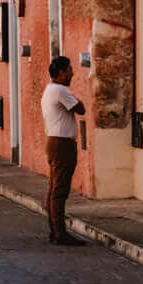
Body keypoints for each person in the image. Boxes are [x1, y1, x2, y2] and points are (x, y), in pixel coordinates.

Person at [41, 55, 86, 246]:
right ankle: (60, 233)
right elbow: (81, 109)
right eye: (69, 70)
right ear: (61, 73)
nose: (72, 73)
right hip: (62, 144)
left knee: (53, 188)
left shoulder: (50, 89)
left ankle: (55, 230)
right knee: (60, 190)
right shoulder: (60, 90)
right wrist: (76, 97)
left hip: (54, 141)